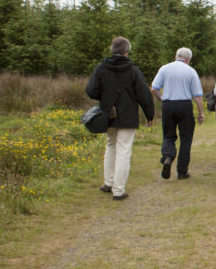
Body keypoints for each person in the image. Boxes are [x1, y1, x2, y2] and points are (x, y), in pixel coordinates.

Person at [84, 36, 155, 201]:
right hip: (128, 115)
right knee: (123, 151)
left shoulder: (102, 68)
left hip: (108, 113)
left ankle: (108, 183)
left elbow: (91, 90)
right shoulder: (132, 70)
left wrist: (106, 97)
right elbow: (144, 95)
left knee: (110, 146)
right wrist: (149, 115)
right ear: (126, 51)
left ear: (112, 49)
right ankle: (118, 190)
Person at [151, 47, 205, 180]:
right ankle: (182, 171)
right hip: (184, 105)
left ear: (176, 56)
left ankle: (168, 156)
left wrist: (161, 99)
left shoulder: (164, 68)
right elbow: (197, 95)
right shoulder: (191, 71)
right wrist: (201, 112)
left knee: (168, 135)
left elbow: (154, 88)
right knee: (186, 139)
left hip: (168, 104)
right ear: (188, 59)